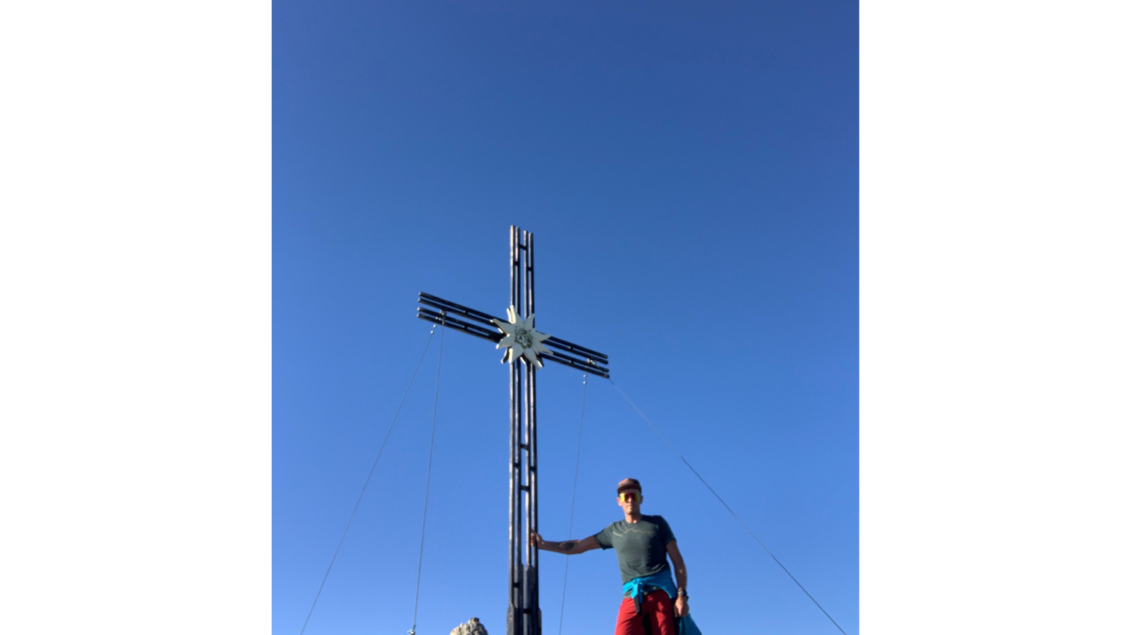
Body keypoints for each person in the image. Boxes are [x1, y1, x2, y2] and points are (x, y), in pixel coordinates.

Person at [531, 478, 689, 635]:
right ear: (618, 501)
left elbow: (678, 563)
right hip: (631, 596)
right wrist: (543, 544)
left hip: (660, 592)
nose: (629, 499)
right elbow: (579, 546)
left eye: (633, 495)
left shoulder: (657, 523)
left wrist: (682, 596)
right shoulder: (614, 530)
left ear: (641, 499)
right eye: (624, 496)